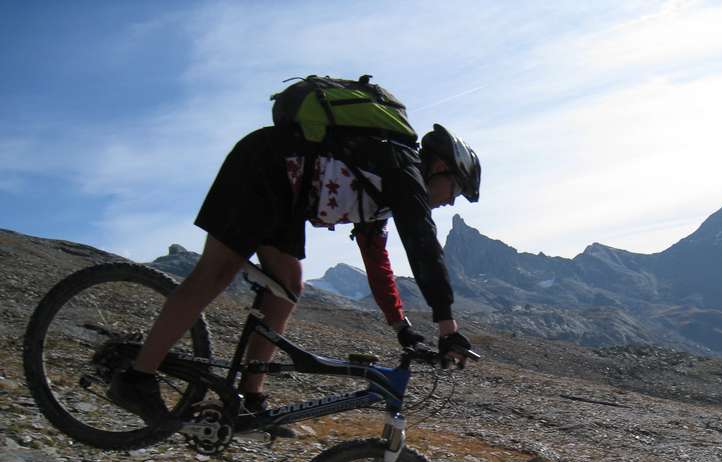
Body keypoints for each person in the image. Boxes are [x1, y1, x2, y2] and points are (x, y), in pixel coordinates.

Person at [108, 115, 480, 428]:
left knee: (288, 286)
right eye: (455, 189)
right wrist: (447, 326)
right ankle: (137, 378)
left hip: (285, 192)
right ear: (441, 167)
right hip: (263, 167)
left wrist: (401, 327)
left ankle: (249, 399)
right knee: (217, 271)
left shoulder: (388, 183)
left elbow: (376, 260)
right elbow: (422, 244)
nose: (450, 200)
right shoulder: (403, 170)